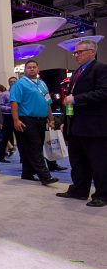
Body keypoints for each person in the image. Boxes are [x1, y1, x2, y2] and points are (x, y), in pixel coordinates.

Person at [56, 39, 107, 207]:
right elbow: (69, 100)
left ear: (92, 52)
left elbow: (103, 93)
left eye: (80, 52)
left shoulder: (100, 69)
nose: (76, 55)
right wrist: (65, 120)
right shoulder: (77, 72)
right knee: (78, 161)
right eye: (75, 52)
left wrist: (76, 99)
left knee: (98, 162)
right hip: (76, 125)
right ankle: (79, 190)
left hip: (94, 126)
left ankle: (102, 195)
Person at [10, 60, 59, 185]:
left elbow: (47, 102)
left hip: (41, 120)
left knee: (31, 147)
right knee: (35, 147)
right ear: (25, 70)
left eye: (34, 67)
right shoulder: (19, 84)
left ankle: (27, 173)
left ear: (38, 69)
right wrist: (16, 120)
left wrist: (51, 119)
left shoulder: (42, 83)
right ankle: (45, 176)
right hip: (26, 119)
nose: (31, 69)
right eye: (29, 67)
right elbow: (14, 102)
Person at [0, 77, 17, 163]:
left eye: (14, 81)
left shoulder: (20, 93)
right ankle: (1, 157)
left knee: (21, 138)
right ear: (8, 83)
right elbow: (0, 106)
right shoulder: (4, 94)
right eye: (11, 82)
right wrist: (11, 108)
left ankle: (24, 158)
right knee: (5, 137)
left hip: (19, 117)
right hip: (8, 117)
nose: (13, 83)